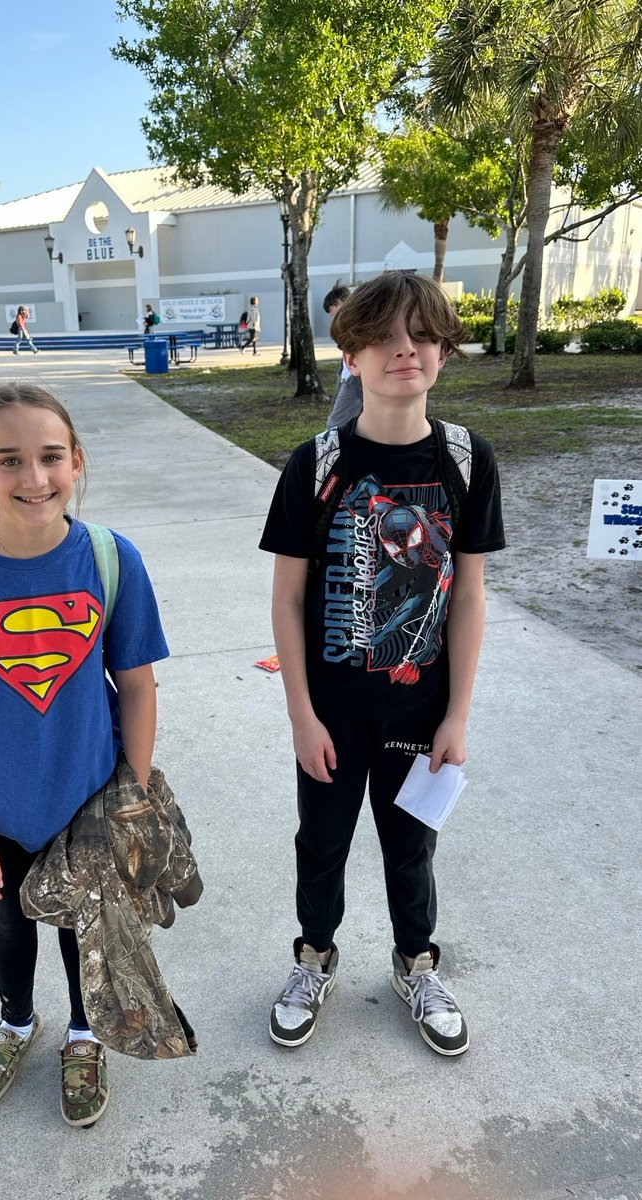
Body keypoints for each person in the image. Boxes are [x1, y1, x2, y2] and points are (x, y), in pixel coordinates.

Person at [0, 383, 169, 1127]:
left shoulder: (112, 561)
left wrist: (133, 796)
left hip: (89, 800)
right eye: (9, 460)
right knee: (13, 921)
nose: (34, 478)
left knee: (88, 926)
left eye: (50, 457)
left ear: (76, 461)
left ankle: (86, 1035)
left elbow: (138, 686)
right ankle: (17, 1020)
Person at [259, 272, 505, 1058]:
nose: (407, 349)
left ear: (443, 350)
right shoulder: (316, 463)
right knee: (321, 843)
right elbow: (288, 600)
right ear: (352, 354)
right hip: (330, 710)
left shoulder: (466, 460)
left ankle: (417, 963)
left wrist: (456, 716)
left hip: (417, 710)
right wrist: (300, 713)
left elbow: (468, 597)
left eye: (425, 334)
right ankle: (314, 957)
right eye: (385, 337)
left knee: (411, 848)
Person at [323, 285, 364, 428]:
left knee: (336, 423)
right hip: (354, 376)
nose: (331, 315)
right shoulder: (354, 318)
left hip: (356, 378)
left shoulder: (356, 319)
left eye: (330, 309)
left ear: (338, 303)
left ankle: (329, 449)